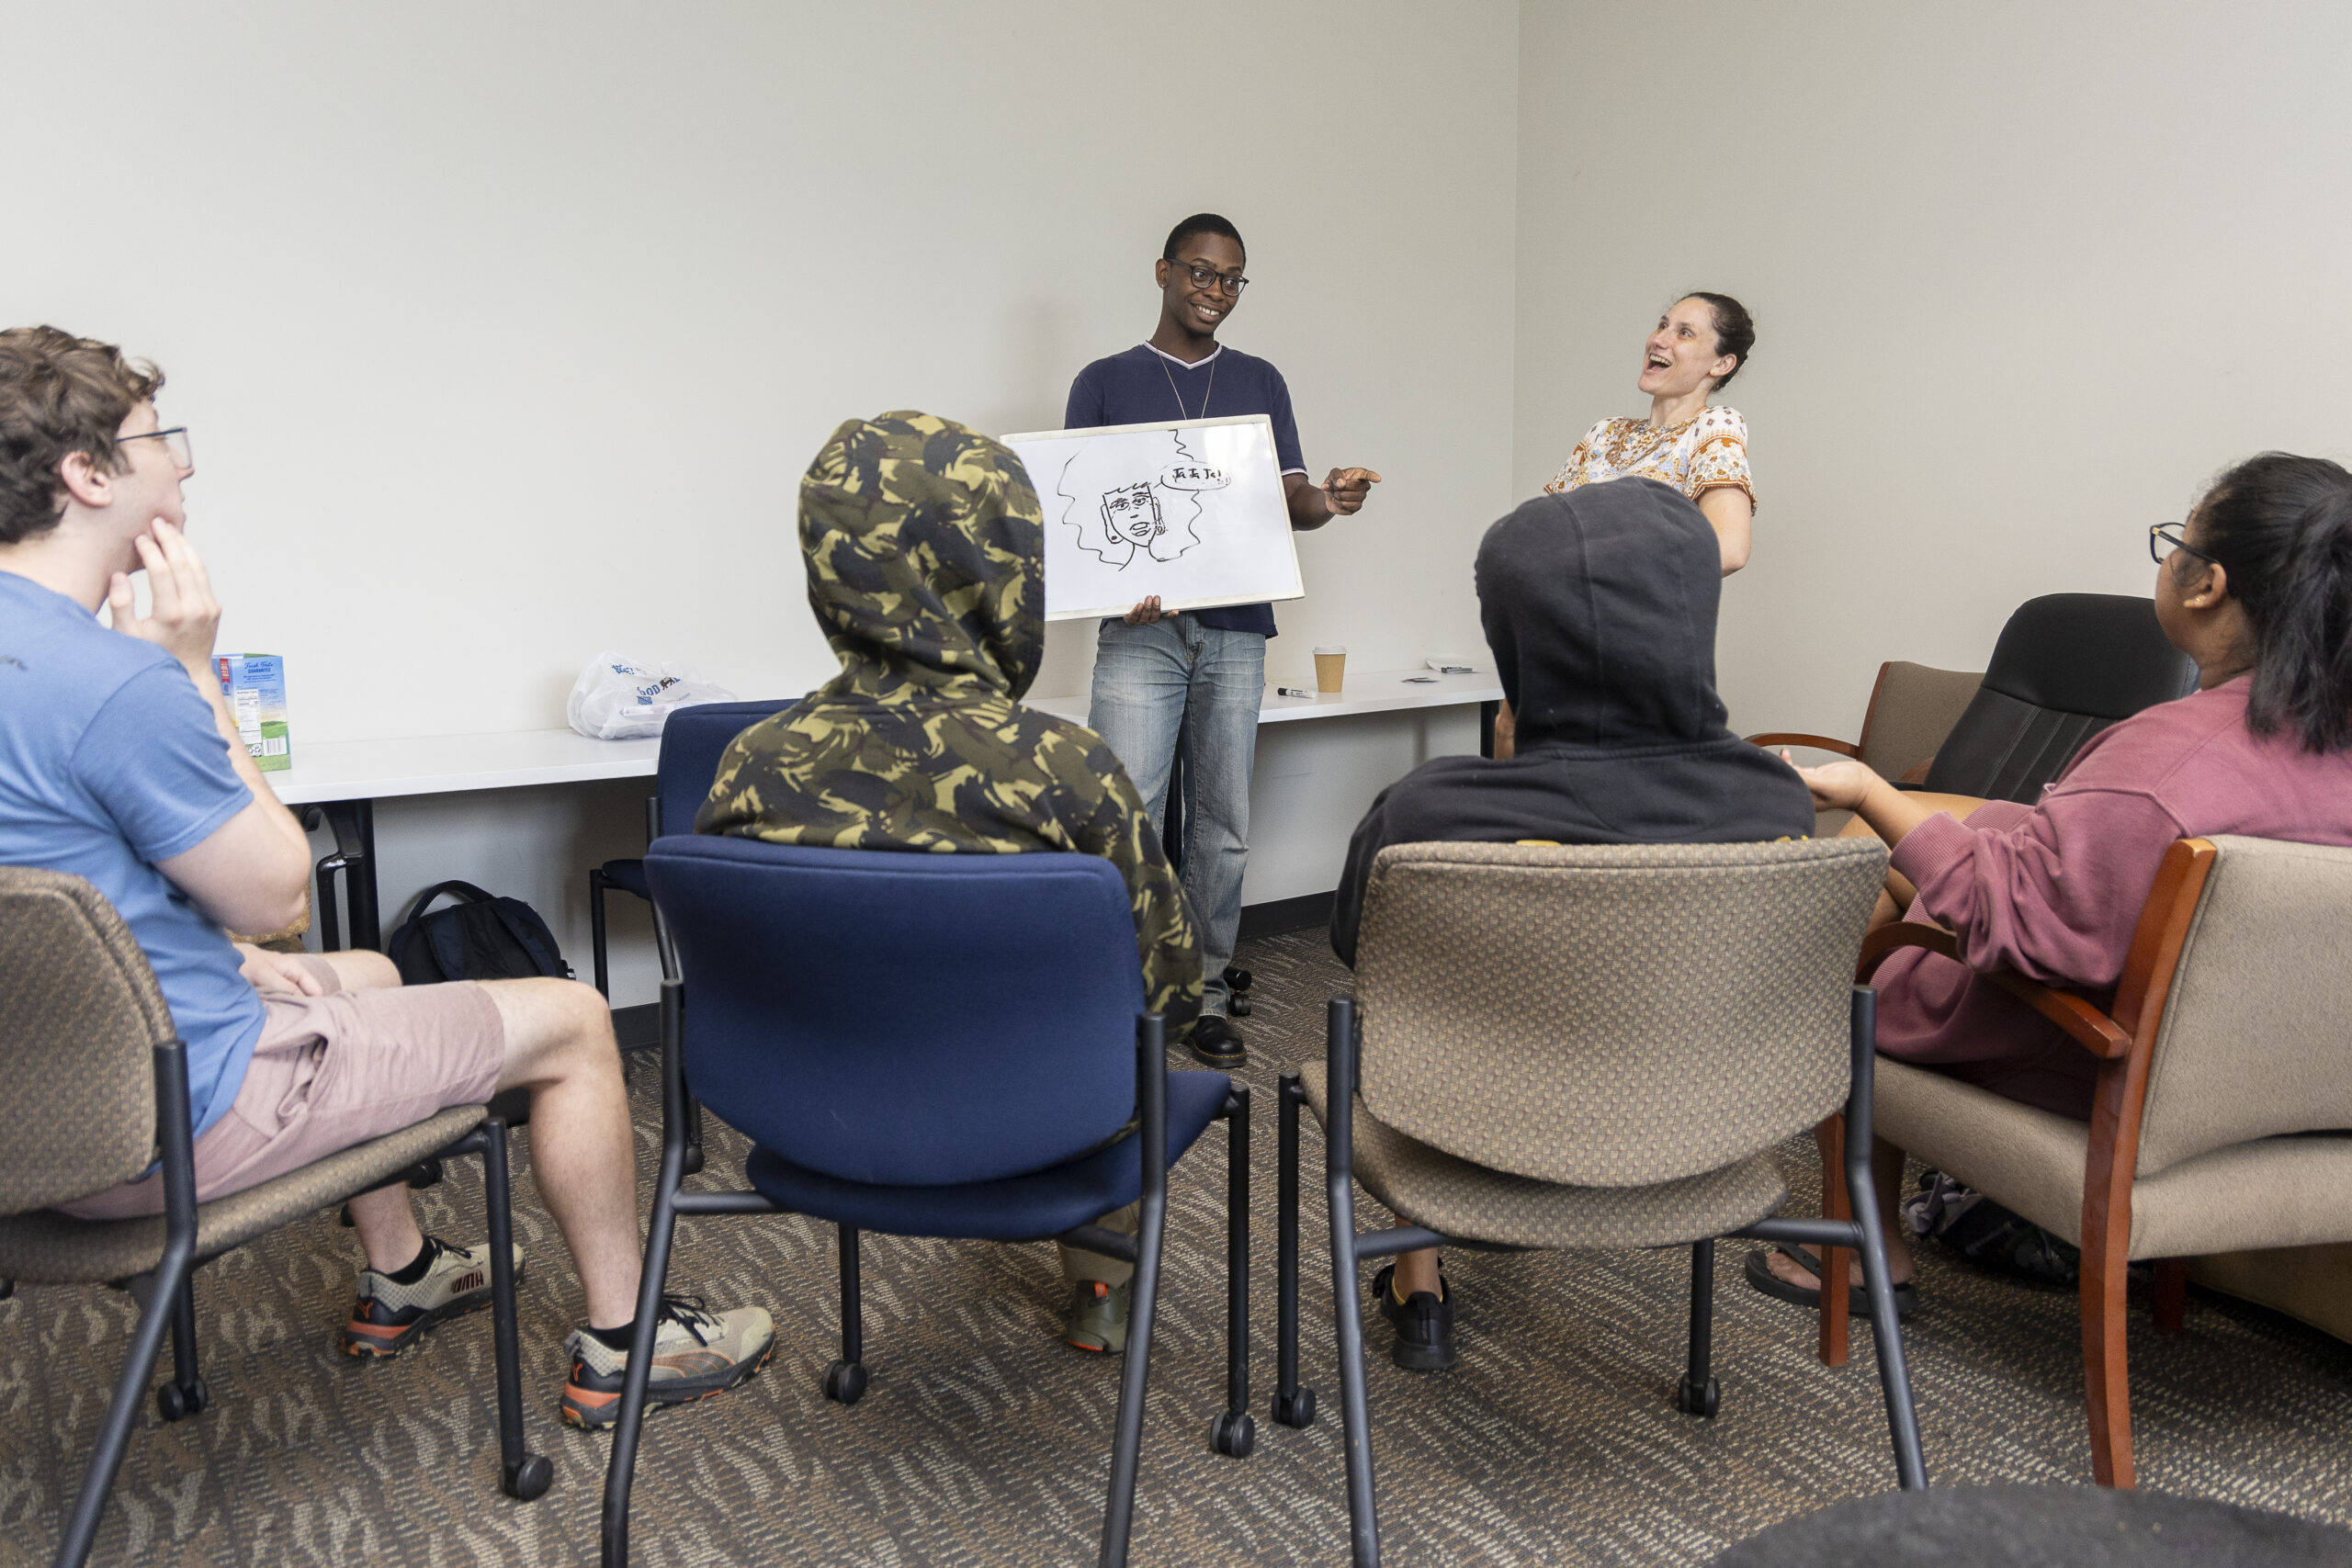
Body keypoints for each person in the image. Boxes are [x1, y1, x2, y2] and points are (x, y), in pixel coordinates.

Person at [0, 326, 772, 1430]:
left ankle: (403, 1271)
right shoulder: (117, 682)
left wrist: (217, 963)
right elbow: (277, 899)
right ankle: (629, 1339)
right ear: (88, 475)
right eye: (159, 440)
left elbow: (49, 891)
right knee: (571, 1017)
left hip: (32, 1116)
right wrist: (193, 676)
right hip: (171, 1117)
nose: (185, 464)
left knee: (357, 971)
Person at [1755, 452, 2352, 1312]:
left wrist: (1867, 789)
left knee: (1871, 947)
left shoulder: (2166, 758)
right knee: (1914, 847)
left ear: (2207, 584)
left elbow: (2024, 930)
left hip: (2104, 1066)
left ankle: (1862, 1248)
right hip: (2276, 1085)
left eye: (2174, 543)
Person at [699, 410, 1202, 1356]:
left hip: (816, 1119)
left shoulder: (748, 767)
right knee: (1135, 1056)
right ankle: (1099, 1283)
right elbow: (1169, 992)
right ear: (1003, 568)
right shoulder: (1065, 770)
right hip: (1047, 1123)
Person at [1331, 478, 1815, 1370]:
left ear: (1519, 639)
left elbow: (1354, 946)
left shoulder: (1424, 814)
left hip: (1476, 1136)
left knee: (1389, 1017)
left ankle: (1419, 1279)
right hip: (1701, 1134)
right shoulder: (1770, 799)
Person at [1068, 213, 1381, 1068]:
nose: (1215, 291)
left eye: (1232, 278)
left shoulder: (1260, 380)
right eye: (1201, 273)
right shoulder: (1104, 380)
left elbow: (1292, 500)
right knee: (1125, 816)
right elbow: (1078, 507)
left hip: (1238, 630)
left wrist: (1332, 498)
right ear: (1163, 272)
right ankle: (1124, 995)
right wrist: (1109, 588)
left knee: (1222, 824)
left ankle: (1203, 992)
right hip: (1142, 635)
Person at [1495, 292, 1758, 758]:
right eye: (1663, 324)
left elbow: (1730, 547)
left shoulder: (1714, 426)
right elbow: (1543, 533)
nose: (1660, 339)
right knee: (1512, 740)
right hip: (1558, 637)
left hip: (1636, 651)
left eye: (1685, 332)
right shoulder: (1605, 434)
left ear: (1721, 365)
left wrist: (1612, 579)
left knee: (1603, 784)